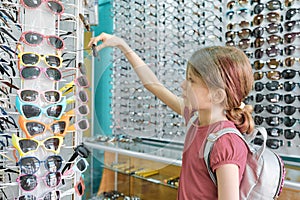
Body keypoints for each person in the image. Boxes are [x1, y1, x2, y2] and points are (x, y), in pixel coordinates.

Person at [88, 33, 255, 200]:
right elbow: (154, 86)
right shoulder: (195, 119)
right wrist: (122, 45)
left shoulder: (226, 143)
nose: (183, 85)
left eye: (191, 80)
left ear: (217, 96)